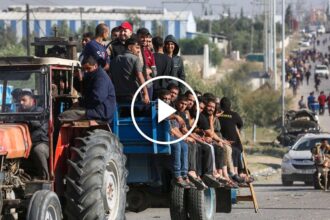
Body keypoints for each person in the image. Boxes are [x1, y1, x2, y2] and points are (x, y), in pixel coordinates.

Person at [61, 56, 116, 123]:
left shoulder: (101, 78)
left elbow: (97, 98)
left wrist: (80, 103)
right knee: (69, 111)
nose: (86, 71)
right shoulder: (92, 76)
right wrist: (76, 78)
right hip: (94, 109)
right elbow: (82, 89)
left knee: (62, 116)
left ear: (95, 66)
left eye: (88, 68)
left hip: (100, 112)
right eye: (84, 69)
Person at [218, 97, 253, 183]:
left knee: (236, 151)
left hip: (225, 140)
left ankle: (239, 172)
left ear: (220, 106)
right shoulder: (234, 114)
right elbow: (240, 124)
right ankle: (239, 172)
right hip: (232, 142)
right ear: (230, 106)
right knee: (237, 151)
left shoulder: (218, 115)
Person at [109, 36, 150, 104]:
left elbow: (111, 78)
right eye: (137, 47)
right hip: (133, 95)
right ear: (130, 47)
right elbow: (140, 76)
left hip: (117, 96)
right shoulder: (135, 59)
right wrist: (146, 94)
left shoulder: (114, 60)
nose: (139, 50)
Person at [19, 91, 49, 180]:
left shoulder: (39, 112)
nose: (21, 103)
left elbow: (42, 131)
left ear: (32, 101)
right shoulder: (17, 114)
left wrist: (27, 122)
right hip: (25, 143)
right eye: (20, 100)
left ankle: (43, 177)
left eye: (24, 100)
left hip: (41, 143)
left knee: (38, 150)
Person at [136, 28, 157, 99]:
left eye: (146, 37)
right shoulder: (133, 50)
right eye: (142, 37)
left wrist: (149, 71)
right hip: (135, 85)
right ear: (137, 37)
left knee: (148, 107)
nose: (144, 40)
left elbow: (155, 72)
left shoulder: (149, 53)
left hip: (148, 84)